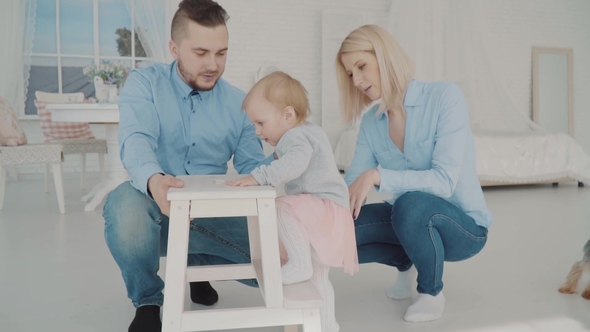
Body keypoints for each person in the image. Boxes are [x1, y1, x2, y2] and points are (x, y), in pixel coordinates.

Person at [102, 1, 273, 331]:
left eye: (221, 53)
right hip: (157, 210)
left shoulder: (239, 103)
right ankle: (149, 300)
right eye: (201, 52)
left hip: (212, 214)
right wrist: (154, 180)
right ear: (174, 48)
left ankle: (195, 266)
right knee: (124, 207)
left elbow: (255, 168)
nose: (213, 64)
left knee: (275, 261)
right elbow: (135, 138)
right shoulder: (144, 83)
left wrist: (285, 162)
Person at [335, 24, 493, 323]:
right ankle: (404, 260)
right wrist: (320, 208)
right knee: (341, 229)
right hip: (407, 220)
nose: (356, 80)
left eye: (361, 66)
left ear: (385, 56)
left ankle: (431, 292)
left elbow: (444, 182)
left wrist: (378, 175)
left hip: (464, 228)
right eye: (350, 73)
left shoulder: (445, 96)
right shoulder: (371, 122)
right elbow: (351, 185)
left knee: (410, 204)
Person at [228, 71, 358, 332]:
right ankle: (328, 326)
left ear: (287, 115)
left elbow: (292, 165)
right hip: (331, 211)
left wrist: (259, 177)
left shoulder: (295, 137)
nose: (256, 131)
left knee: (281, 206)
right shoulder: (306, 132)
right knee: (320, 276)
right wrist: (255, 174)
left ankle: (298, 264)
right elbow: (275, 162)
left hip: (322, 206)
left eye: (261, 123)